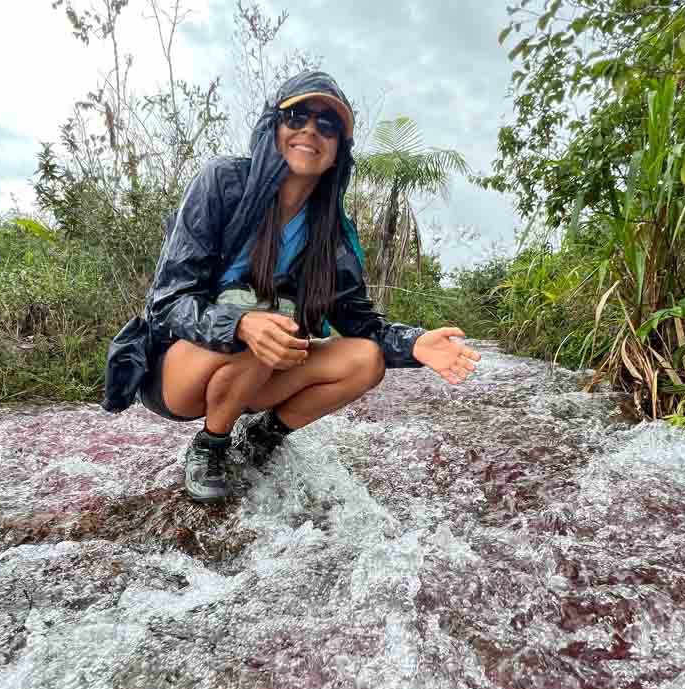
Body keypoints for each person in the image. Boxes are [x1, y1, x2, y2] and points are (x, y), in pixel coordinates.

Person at [103, 71, 480, 502]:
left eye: (327, 125)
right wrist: (241, 324)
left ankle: (264, 435)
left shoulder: (331, 233)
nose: (309, 130)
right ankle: (211, 445)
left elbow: (360, 325)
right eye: (297, 117)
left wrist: (413, 344)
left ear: (339, 150)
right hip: (181, 372)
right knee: (264, 331)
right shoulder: (222, 183)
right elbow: (168, 300)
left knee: (366, 359)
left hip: (260, 372)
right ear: (274, 128)